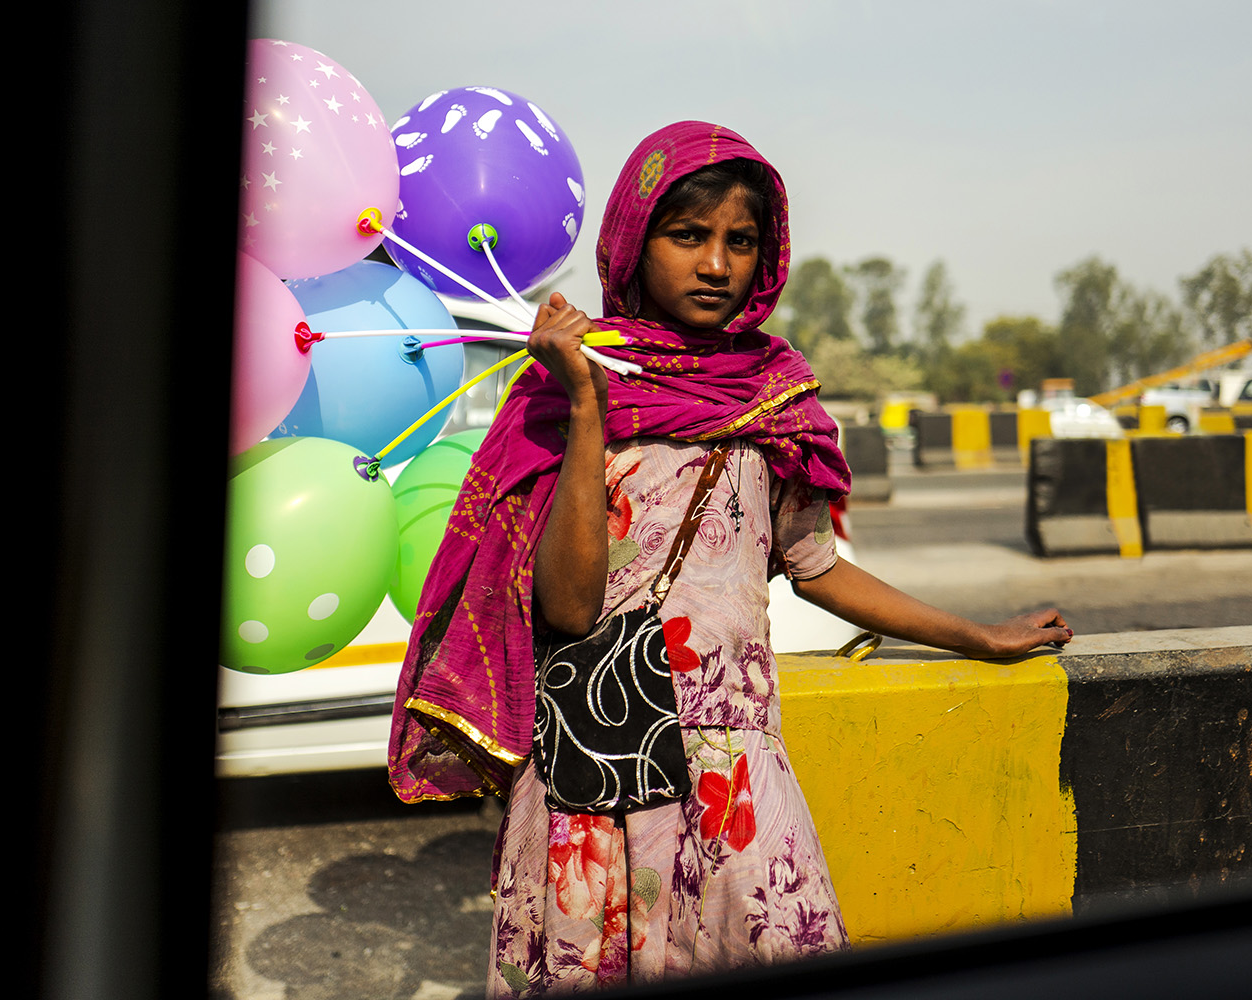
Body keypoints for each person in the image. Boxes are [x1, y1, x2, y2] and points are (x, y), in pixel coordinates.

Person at [388, 121, 1072, 994]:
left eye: (739, 241)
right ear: (635, 242)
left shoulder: (775, 398)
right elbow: (565, 609)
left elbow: (817, 563)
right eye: (688, 236)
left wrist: (977, 636)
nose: (716, 264)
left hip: (736, 778)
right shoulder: (568, 390)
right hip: (595, 785)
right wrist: (589, 409)